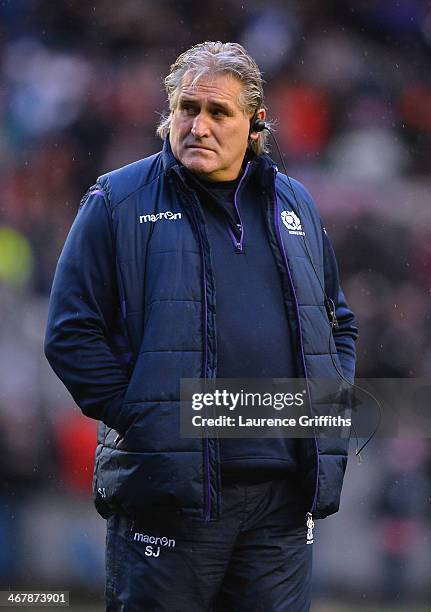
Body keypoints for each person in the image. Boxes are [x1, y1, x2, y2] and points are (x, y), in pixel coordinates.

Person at [44, 41, 358, 612]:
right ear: (169, 115)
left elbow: (338, 324)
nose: (199, 125)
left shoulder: (297, 204)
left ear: (255, 124)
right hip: (172, 498)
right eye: (187, 109)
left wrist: (325, 407)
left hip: (282, 501)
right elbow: (71, 333)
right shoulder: (117, 200)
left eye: (219, 112)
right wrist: (150, 418)